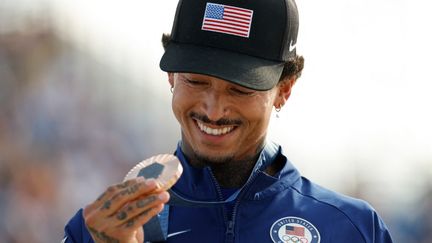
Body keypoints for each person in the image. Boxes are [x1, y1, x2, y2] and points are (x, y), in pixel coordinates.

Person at [63, 0, 394, 242]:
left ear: (285, 90)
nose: (214, 109)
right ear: (172, 77)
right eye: (196, 81)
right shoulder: (99, 228)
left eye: (239, 89)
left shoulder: (353, 228)